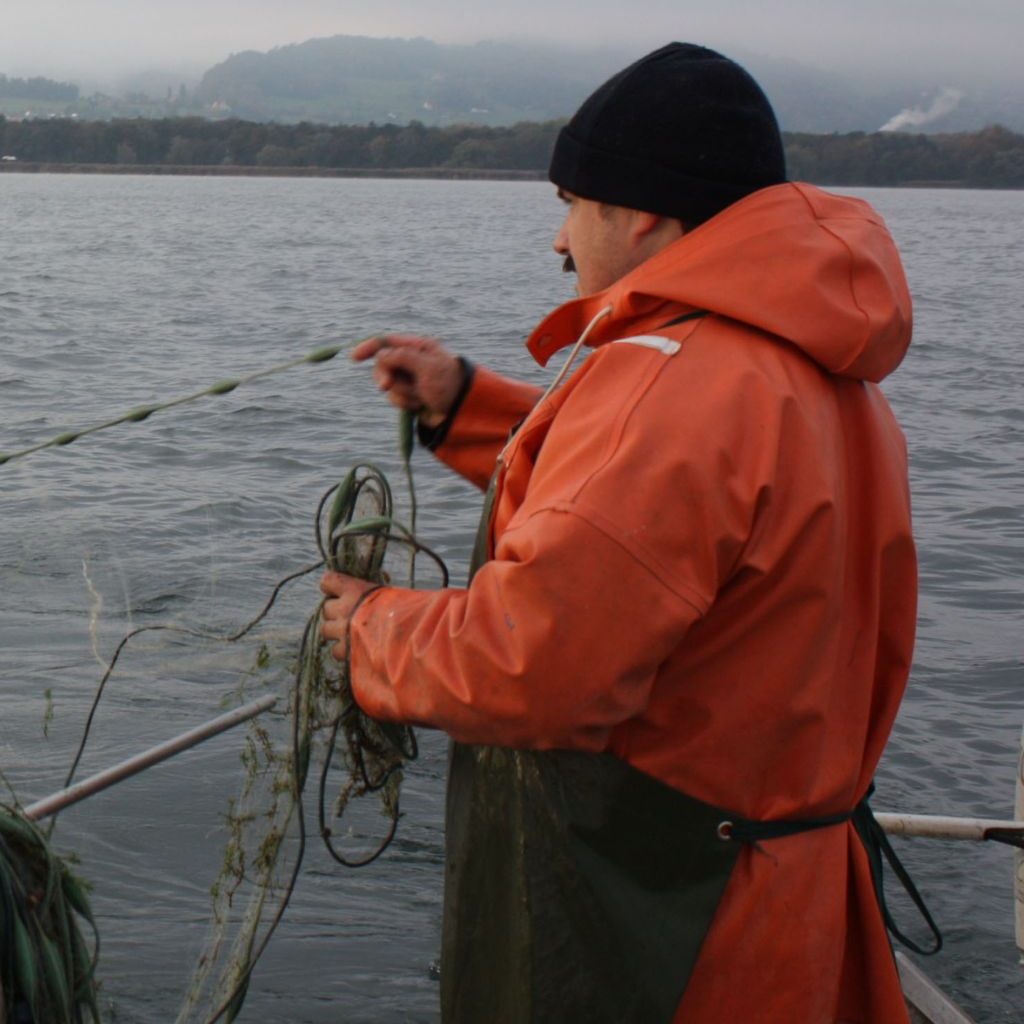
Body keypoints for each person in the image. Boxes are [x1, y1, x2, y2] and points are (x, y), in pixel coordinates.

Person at [322, 42, 918, 1023]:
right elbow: (661, 523)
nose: (559, 241)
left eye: (571, 203)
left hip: (677, 932)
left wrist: (371, 628)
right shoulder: (817, 372)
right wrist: (464, 405)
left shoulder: (672, 383)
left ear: (640, 212)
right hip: (794, 901)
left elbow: (533, 665)